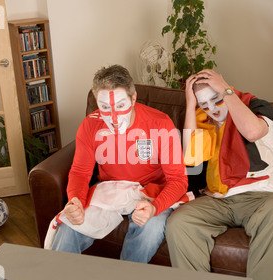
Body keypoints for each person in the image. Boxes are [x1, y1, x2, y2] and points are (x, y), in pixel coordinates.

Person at [166, 69, 273, 280]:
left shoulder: (257, 107)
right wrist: (189, 104)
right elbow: (191, 158)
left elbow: (253, 131)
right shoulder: (203, 120)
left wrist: (225, 90)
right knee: (180, 223)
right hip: (220, 199)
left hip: (264, 197)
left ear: (227, 89)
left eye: (216, 99)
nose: (213, 109)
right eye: (204, 105)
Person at [50, 65, 189, 263]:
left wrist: (154, 208)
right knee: (68, 226)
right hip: (110, 189)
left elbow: (178, 180)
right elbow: (80, 173)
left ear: (133, 99)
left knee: (150, 229)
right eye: (105, 107)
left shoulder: (161, 124)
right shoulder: (90, 124)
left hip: (150, 191)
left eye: (121, 105)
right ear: (97, 102)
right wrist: (76, 201)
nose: (113, 118)